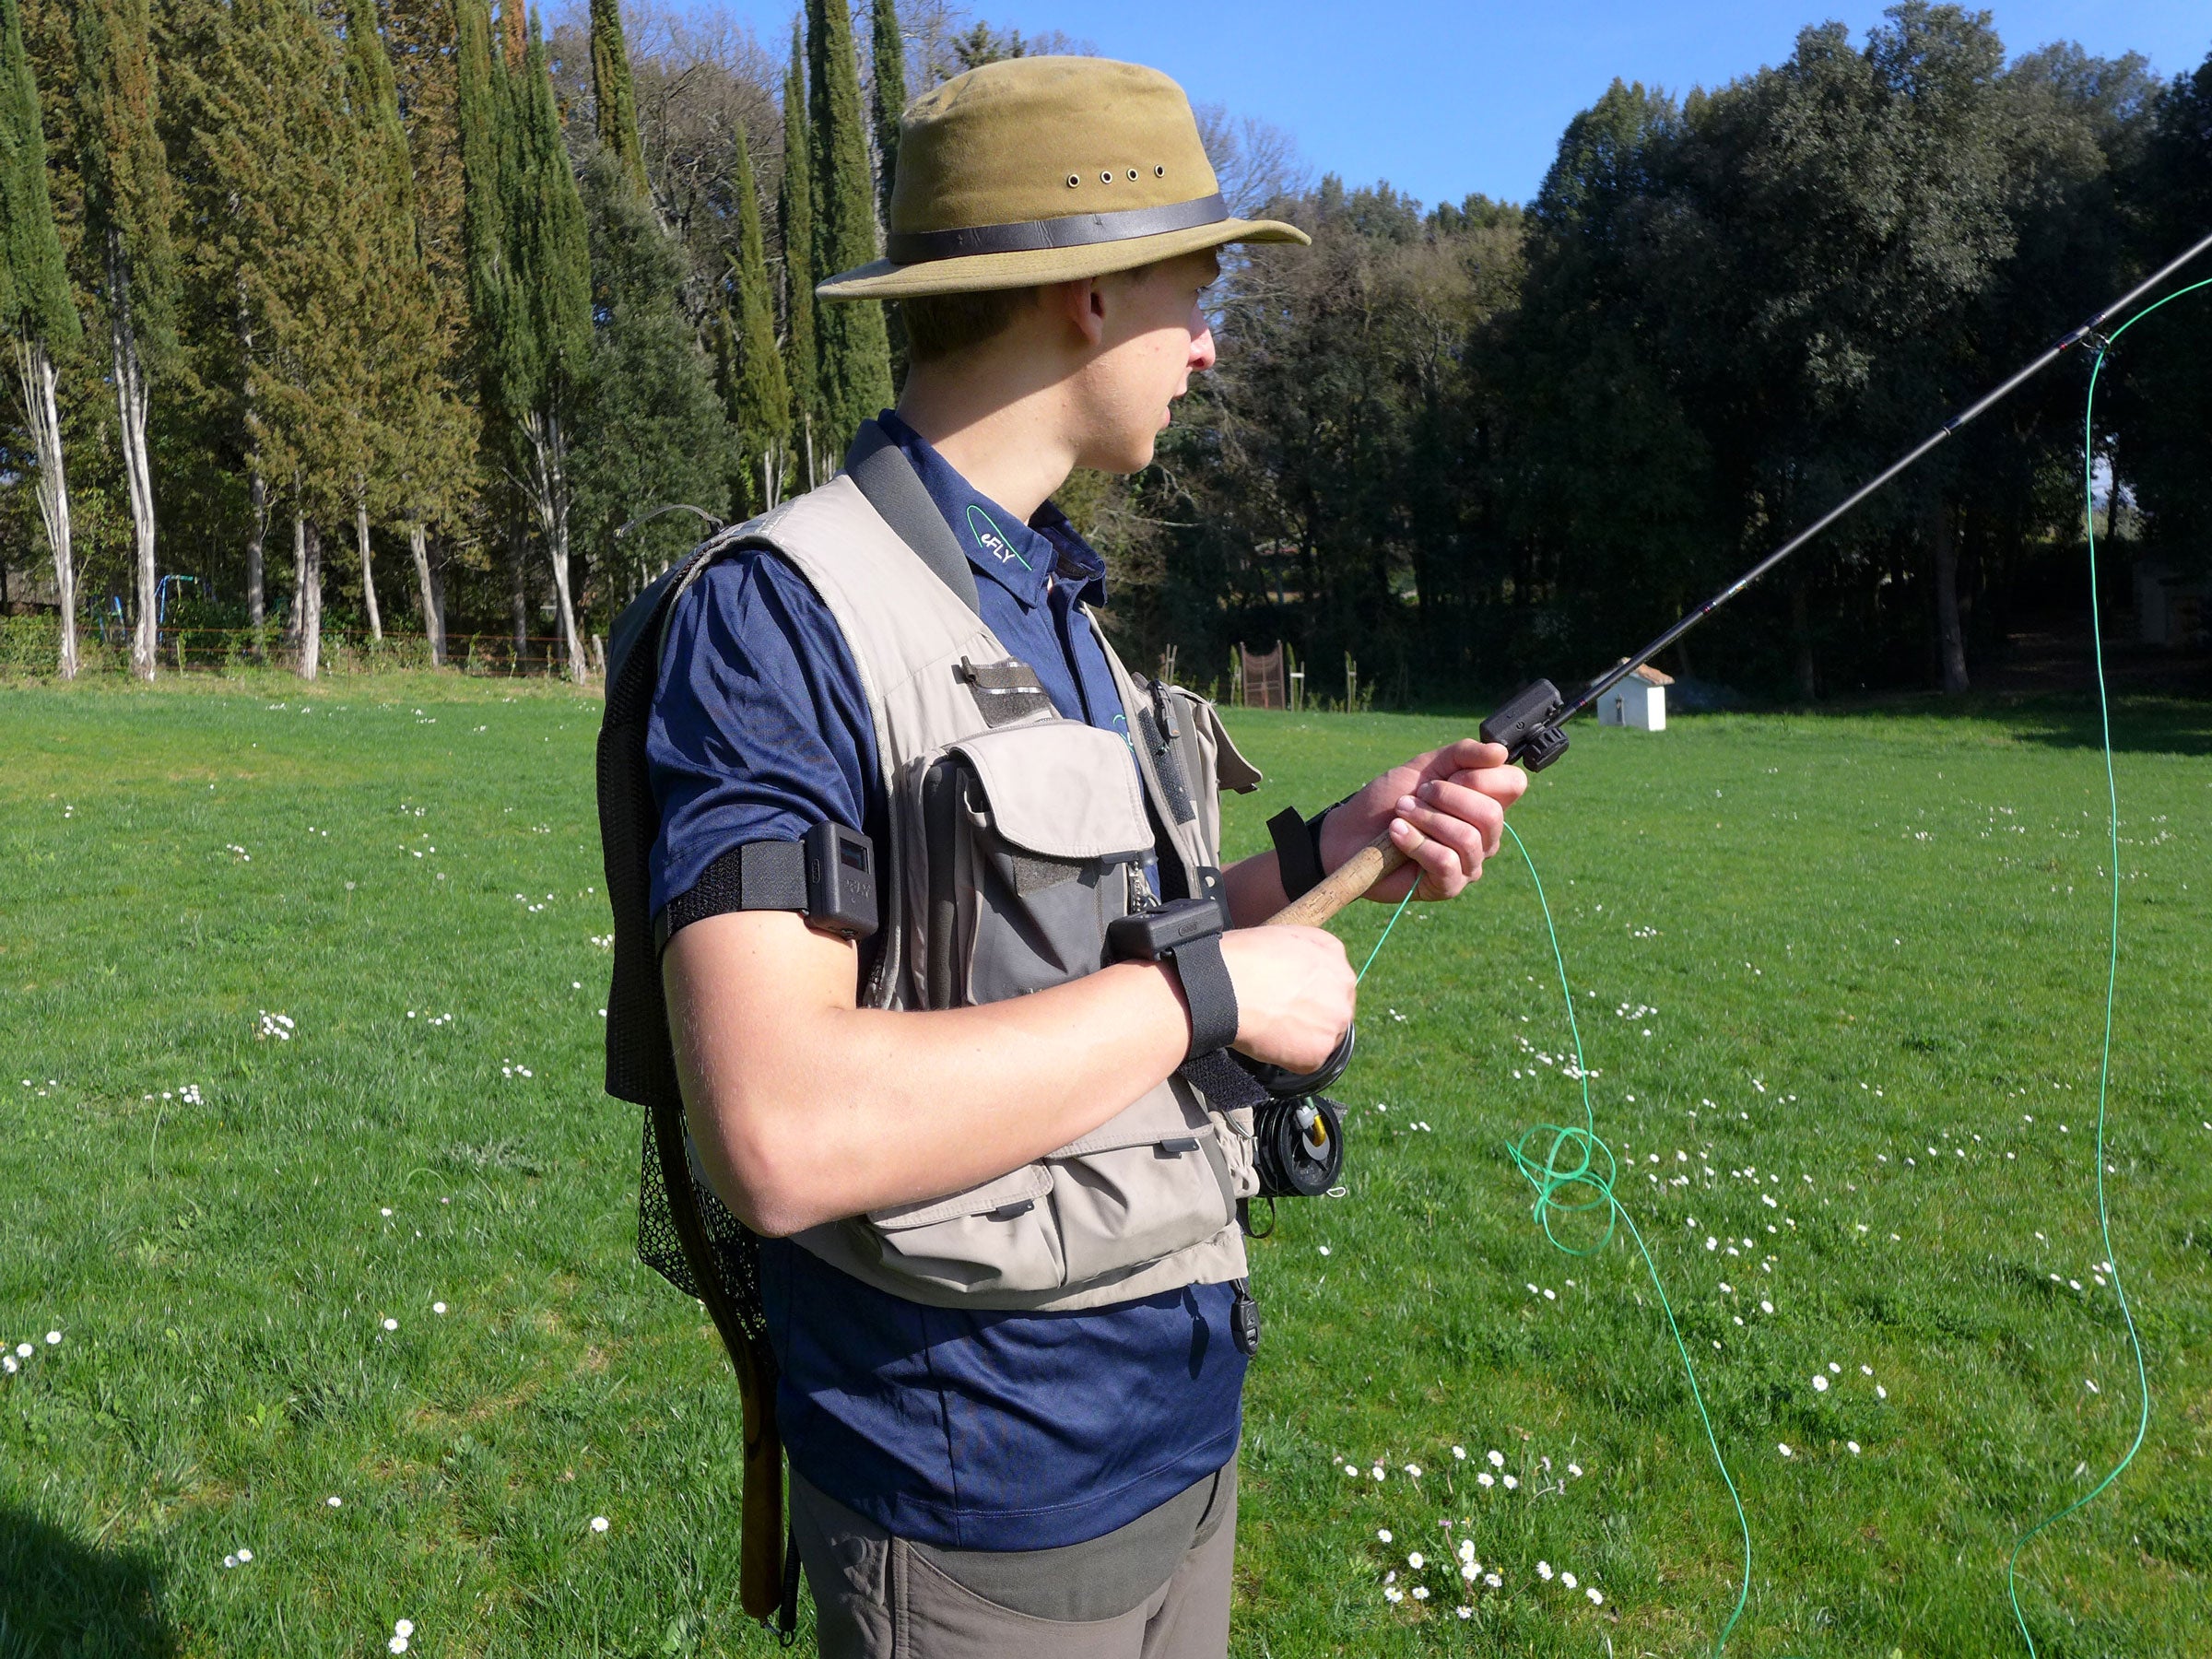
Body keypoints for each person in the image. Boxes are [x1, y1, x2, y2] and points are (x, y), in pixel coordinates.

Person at [622, 54, 1527, 1658]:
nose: (1210, 336)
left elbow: (1114, 948)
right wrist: (1220, 993)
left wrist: (1339, 844)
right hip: (977, 1502)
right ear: (1090, 296)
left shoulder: (1056, 610)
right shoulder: (776, 619)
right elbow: (777, 1128)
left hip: (1177, 1439)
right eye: (1198, 284)